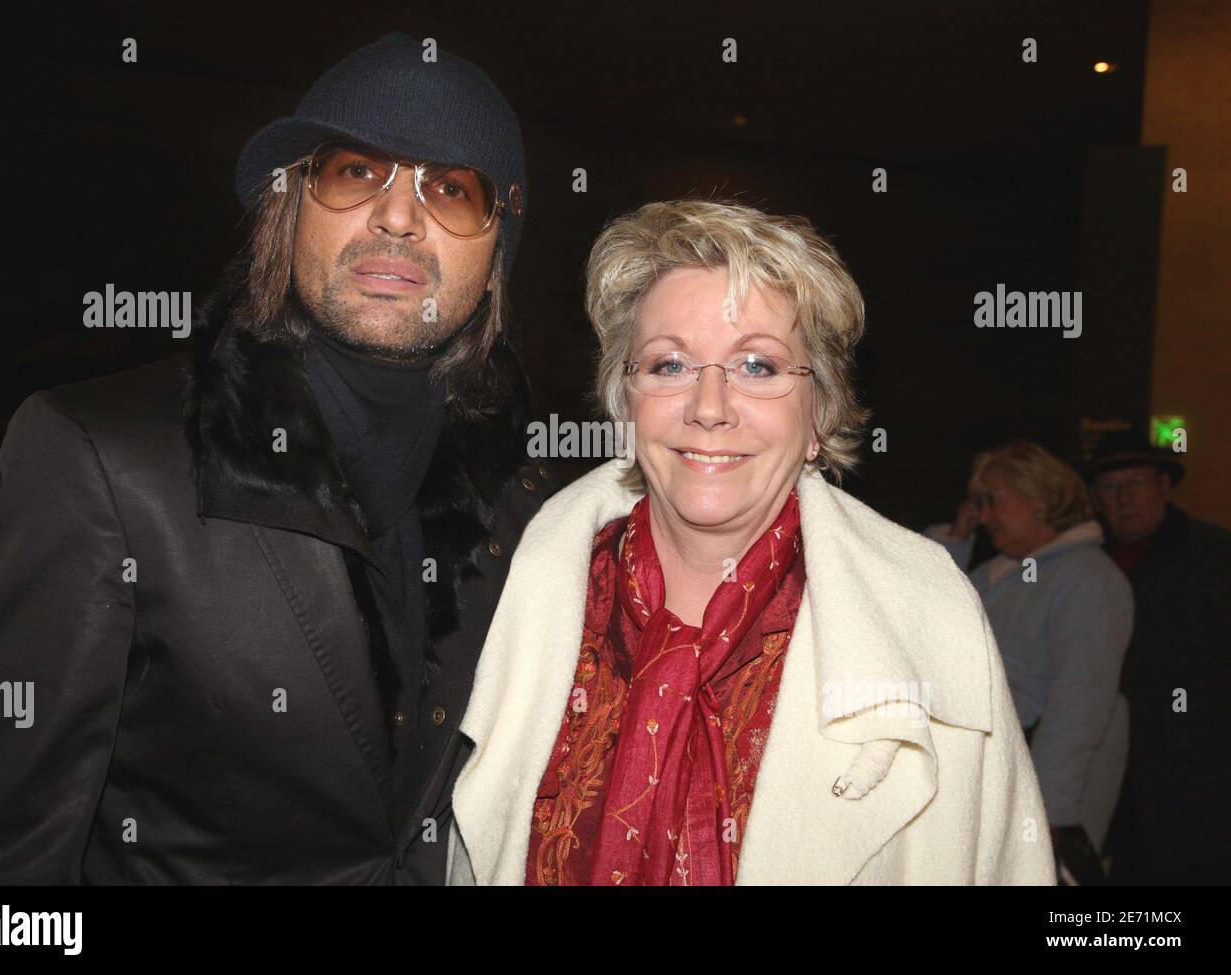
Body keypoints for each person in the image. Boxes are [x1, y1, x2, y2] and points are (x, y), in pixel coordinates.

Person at [0, 31, 554, 883]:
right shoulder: (101, 463)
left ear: (495, 259)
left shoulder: (526, 513)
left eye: (451, 188)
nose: (399, 215)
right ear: (289, 205)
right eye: (354, 170)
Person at [447, 199, 1053, 885]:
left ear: (820, 412)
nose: (710, 407)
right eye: (670, 365)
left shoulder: (927, 619)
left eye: (758, 367)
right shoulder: (527, 586)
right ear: (626, 400)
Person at [927, 442, 1133, 884]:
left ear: (1038, 497)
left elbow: (1080, 704)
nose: (981, 515)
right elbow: (921, 615)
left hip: (1042, 792)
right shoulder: (995, 573)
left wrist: (1050, 813)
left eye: (992, 500)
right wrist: (956, 542)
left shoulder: (1088, 577)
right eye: (977, 504)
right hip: (992, 782)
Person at [1088, 430, 1231, 884]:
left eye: (1138, 484)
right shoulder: (1089, 562)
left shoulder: (1214, 556)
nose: (1125, 499)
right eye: (1111, 488)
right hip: (1121, 776)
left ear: (1164, 489)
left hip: (1202, 784)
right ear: (1095, 498)